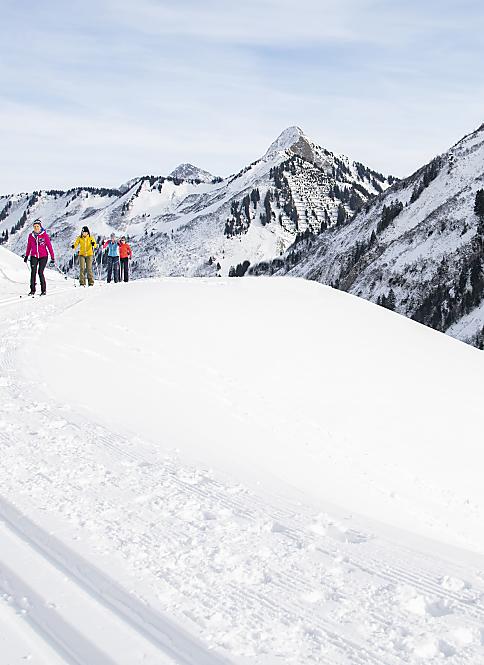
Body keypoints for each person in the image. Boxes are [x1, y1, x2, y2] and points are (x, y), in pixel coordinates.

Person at [24, 219, 55, 295]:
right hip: (34, 256)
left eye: (37, 226)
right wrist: (26, 255)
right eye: (34, 226)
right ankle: (32, 290)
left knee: (40, 272)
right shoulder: (31, 236)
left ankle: (43, 290)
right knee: (33, 273)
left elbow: (49, 247)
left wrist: (52, 257)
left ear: (40, 227)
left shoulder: (45, 236)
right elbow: (29, 246)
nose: (36, 228)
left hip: (43, 256)